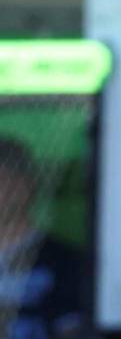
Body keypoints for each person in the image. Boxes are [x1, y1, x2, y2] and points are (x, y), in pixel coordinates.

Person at [0, 136, 85, 339]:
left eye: (7, 178)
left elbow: (73, 329)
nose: (5, 189)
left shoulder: (66, 261)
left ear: (28, 184)